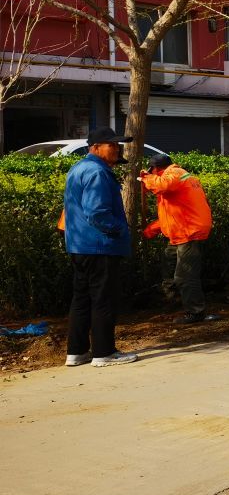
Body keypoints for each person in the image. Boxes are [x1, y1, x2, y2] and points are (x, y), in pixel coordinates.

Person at [62, 127, 136, 366]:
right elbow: (97, 212)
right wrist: (118, 230)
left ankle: (77, 352)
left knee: (81, 299)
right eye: (111, 145)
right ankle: (104, 353)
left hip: (80, 245)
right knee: (104, 299)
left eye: (117, 145)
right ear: (95, 147)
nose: (117, 149)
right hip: (100, 245)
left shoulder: (78, 168)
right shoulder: (98, 172)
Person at [140, 154, 213, 323]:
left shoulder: (174, 174)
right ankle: (174, 299)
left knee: (185, 275)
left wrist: (146, 178)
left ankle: (195, 312)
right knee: (168, 259)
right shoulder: (180, 178)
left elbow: (162, 185)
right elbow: (175, 213)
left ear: (156, 169)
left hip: (189, 232)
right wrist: (152, 229)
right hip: (183, 230)